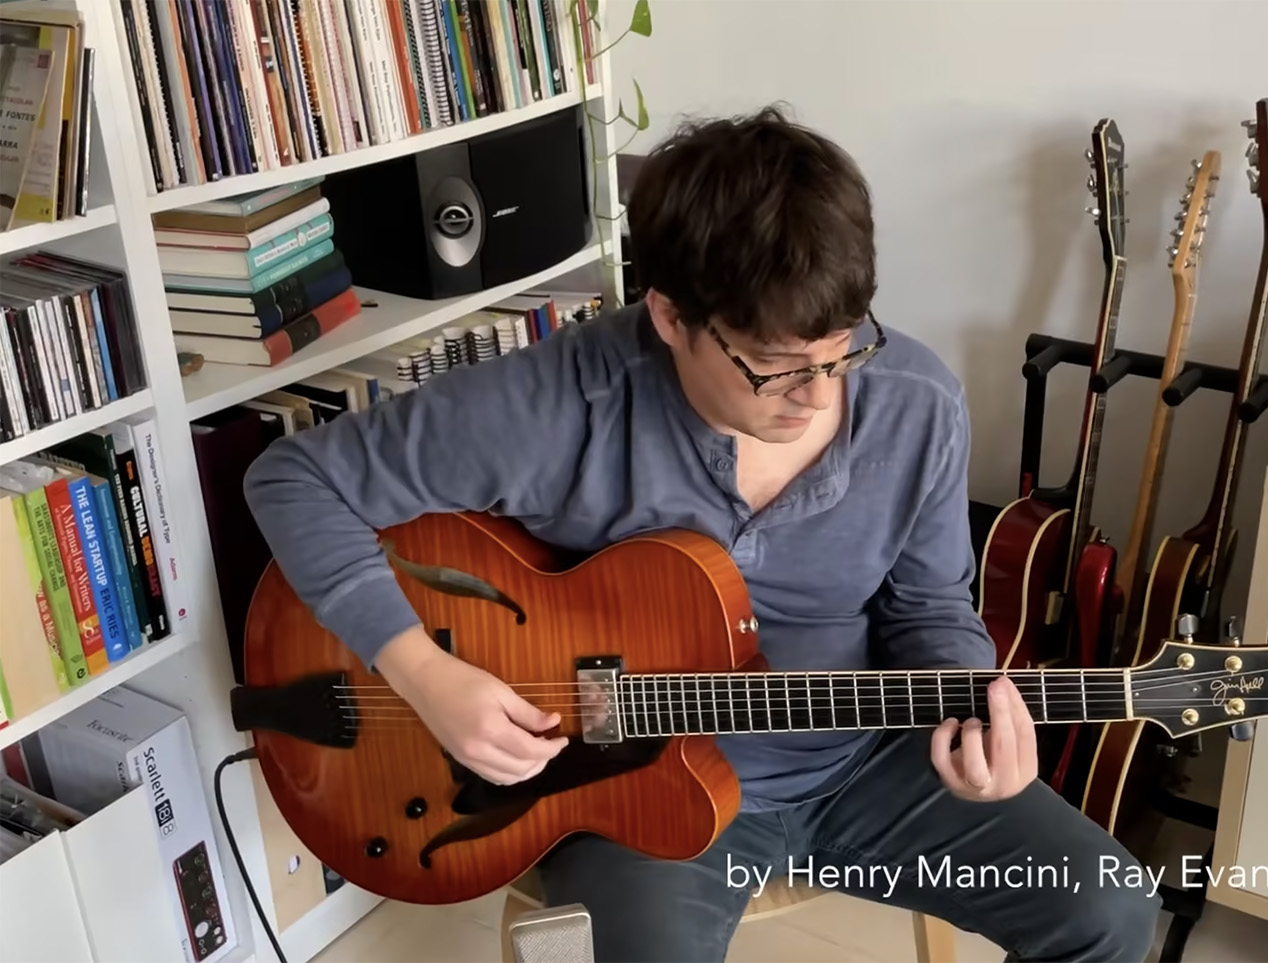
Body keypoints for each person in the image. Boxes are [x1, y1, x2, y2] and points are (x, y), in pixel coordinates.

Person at [242, 105, 1160, 963]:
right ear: (672, 316)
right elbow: (293, 478)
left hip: (865, 755)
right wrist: (424, 670)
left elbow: (926, 603)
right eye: (775, 367)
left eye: (843, 352)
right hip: (626, 785)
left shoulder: (916, 403)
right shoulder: (565, 401)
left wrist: (973, 712)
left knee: (1111, 908)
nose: (819, 396)